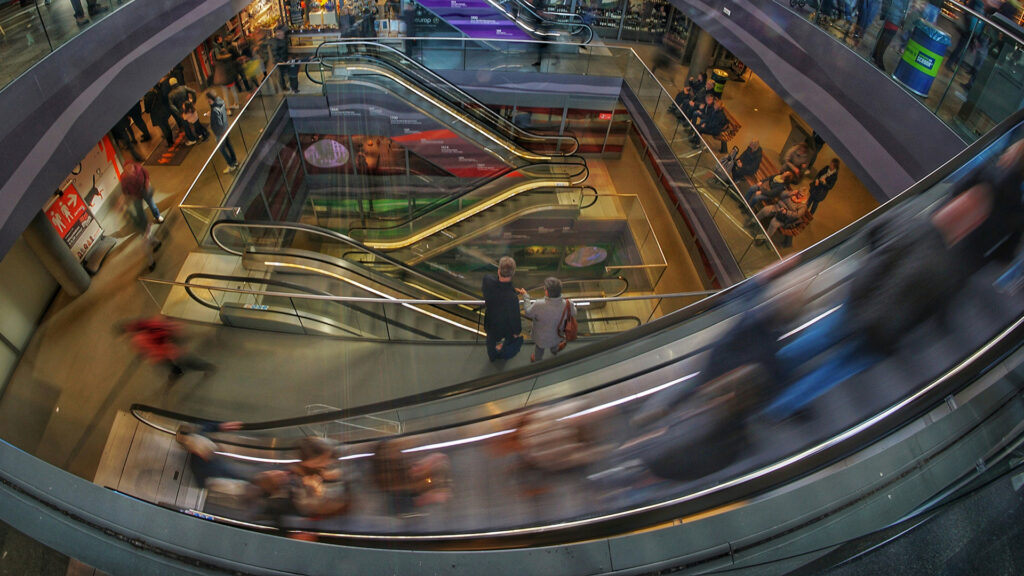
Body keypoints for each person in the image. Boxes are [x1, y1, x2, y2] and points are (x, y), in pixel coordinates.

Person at [121, 316, 217, 379]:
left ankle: (209, 367)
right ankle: (177, 371)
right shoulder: (139, 327)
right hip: (167, 347)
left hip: (169, 349)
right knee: (170, 363)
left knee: (189, 361)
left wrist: (168, 351)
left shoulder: (140, 336)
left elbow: (159, 341)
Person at [523, 277, 576, 362]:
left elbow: (528, 313)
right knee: (555, 344)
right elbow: (573, 313)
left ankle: (537, 359)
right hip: (557, 335)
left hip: (541, 338)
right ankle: (554, 351)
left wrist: (526, 297)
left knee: (539, 349)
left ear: (547, 291)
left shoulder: (539, 305)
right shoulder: (568, 303)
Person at [482, 256, 524, 361]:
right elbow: (514, 317)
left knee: (491, 343)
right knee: (506, 345)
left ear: (498, 270)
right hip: (505, 328)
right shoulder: (512, 297)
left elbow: (493, 282)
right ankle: (502, 354)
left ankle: (492, 357)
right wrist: (516, 332)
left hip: (491, 323)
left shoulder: (487, 281)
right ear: (513, 273)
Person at [207, 91, 240, 173]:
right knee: (229, 145)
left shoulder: (214, 110)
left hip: (220, 132)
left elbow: (218, 122)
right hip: (226, 127)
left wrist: (217, 134)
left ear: (210, 99)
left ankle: (231, 165)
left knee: (222, 149)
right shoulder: (220, 102)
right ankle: (234, 161)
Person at [872, 0, 910, 70]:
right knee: (887, 37)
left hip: (892, 13)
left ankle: (876, 54)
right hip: (895, 15)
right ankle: (878, 57)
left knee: (885, 35)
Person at [212, 35, 242, 113]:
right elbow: (233, 70)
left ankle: (228, 109)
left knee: (225, 95)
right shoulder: (229, 61)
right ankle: (237, 103)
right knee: (234, 92)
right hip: (230, 80)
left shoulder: (219, 64)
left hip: (223, 81)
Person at [166, 77, 198, 144]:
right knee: (195, 119)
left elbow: (172, 106)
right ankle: (200, 133)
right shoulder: (183, 87)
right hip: (189, 106)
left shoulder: (170, 94)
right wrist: (193, 101)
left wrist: (178, 113)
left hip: (181, 110)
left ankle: (192, 139)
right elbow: (194, 91)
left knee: (186, 125)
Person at [268, 28, 299, 94]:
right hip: (281, 62)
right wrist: (281, 61)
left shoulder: (283, 40)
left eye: (282, 32)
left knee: (287, 73)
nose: (282, 34)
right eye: (280, 32)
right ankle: (284, 87)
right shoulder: (275, 42)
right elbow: (275, 54)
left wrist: (288, 56)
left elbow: (285, 50)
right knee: (282, 75)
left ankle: (291, 86)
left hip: (285, 59)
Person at [144, 83, 175, 148]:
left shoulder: (147, 97)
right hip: (163, 111)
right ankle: (171, 140)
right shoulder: (156, 92)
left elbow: (147, 110)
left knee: (164, 129)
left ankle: (169, 143)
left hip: (157, 115)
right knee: (167, 126)